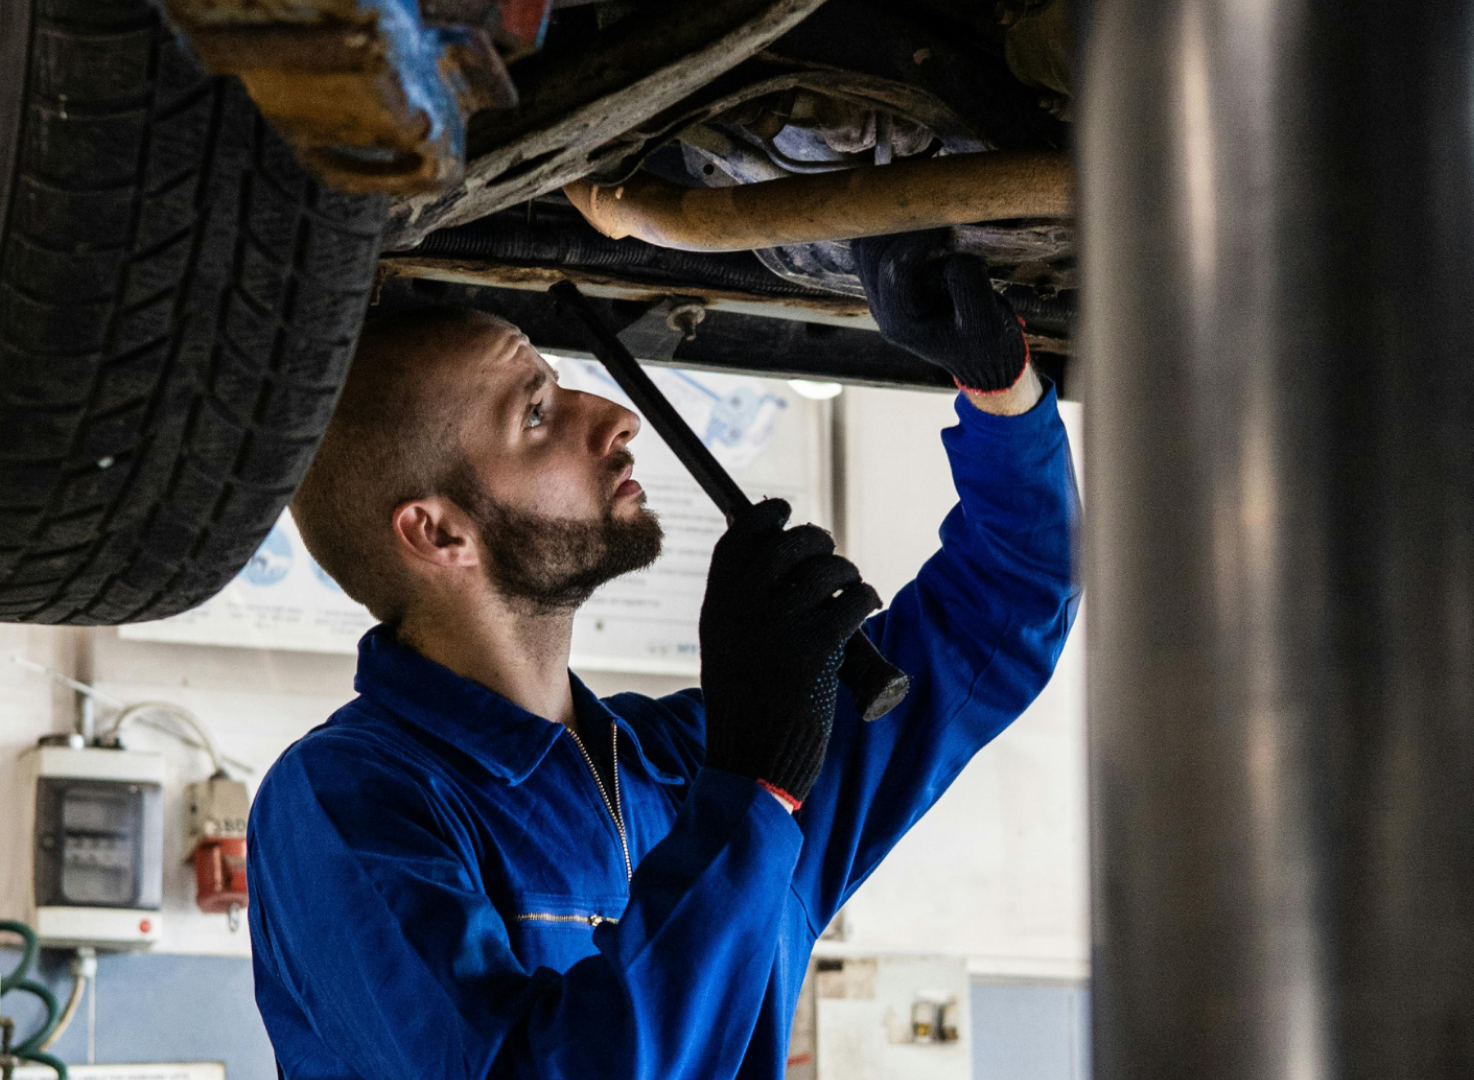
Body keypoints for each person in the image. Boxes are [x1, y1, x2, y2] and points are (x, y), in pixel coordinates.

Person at [245, 230, 1080, 1080]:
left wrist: (998, 386)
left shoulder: (687, 763)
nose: (614, 419)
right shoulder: (345, 801)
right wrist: (753, 792)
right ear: (438, 531)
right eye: (535, 415)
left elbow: (1004, 612)